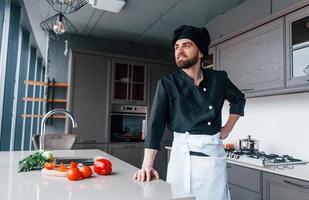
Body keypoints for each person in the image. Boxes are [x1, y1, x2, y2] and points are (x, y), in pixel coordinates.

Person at [133, 25, 246, 200]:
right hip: (181, 155)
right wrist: (147, 165)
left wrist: (227, 129)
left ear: (200, 52)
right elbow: (156, 124)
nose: (179, 51)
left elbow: (238, 99)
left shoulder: (219, 79)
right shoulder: (167, 84)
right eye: (176, 47)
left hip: (211, 158)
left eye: (186, 45)